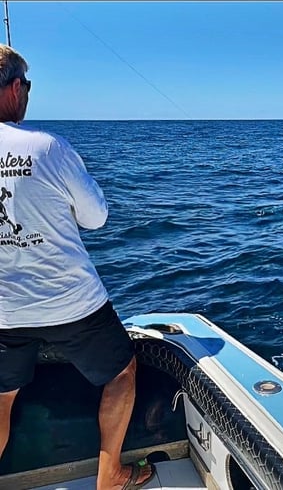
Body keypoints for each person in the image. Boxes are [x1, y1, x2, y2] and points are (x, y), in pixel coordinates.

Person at [0, 44, 155, 489]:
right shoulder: (48, 147)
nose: (27, 93)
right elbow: (96, 218)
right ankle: (110, 477)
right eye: (26, 85)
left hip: (4, 313)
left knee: (1, 398)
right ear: (15, 88)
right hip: (72, 305)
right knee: (122, 371)